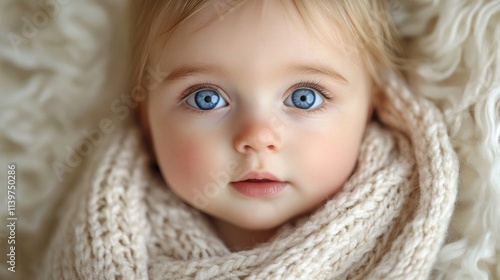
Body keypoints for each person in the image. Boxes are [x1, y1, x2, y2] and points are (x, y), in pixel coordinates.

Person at [42, 1, 458, 279]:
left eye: (303, 97)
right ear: (146, 121)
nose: (257, 138)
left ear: (372, 109)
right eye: (207, 99)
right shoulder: (100, 242)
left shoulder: (408, 226)